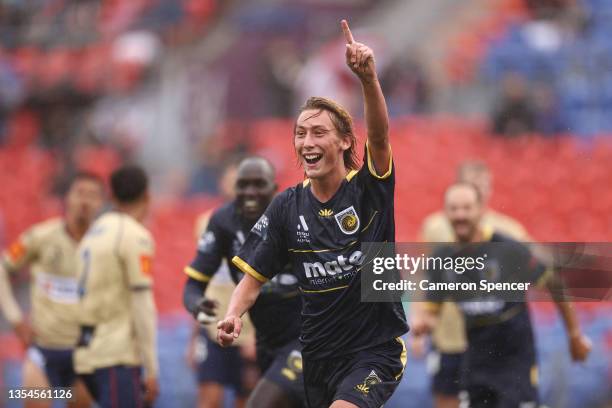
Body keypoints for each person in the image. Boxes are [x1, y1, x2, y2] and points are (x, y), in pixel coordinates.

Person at [216, 20, 408, 408]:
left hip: (374, 353)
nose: (307, 142)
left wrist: (368, 79)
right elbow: (253, 278)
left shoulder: (368, 190)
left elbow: (381, 138)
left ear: (344, 141)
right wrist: (234, 314)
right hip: (317, 358)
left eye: (319, 132)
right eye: (301, 133)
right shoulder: (287, 206)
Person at [412, 182, 592, 407]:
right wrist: (422, 326)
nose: (460, 215)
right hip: (474, 363)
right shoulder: (443, 259)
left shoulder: (508, 249)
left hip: (515, 363)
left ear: (480, 210)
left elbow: (555, 284)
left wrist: (574, 335)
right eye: (454, 208)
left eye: (466, 208)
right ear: (445, 212)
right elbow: (432, 312)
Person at [184, 157, 304, 408]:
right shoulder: (222, 221)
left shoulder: (298, 217)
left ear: (274, 188)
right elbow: (193, 284)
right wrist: (197, 305)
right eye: (243, 184)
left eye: (259, 184)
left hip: (302, 336)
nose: (250, 192)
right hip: (257, 336)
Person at [418, 161, 529, 408]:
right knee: (447, 398)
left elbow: (533, 277)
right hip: (449, 336)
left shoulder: (510, 232)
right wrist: (421, 322)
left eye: (482, 185)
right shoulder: (435, 227)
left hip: (495, 343)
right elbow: (425, 278)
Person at [0, 172, 104, 408]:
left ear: (101, 203)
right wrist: (16, 319)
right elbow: (2, 269)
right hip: (43, 353)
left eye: (92, 195)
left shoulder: (104, 245)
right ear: (67, 198)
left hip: (83, 356)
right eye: (79, 193)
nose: (85, 201)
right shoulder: (41, 237)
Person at [74, 165, 158, 407]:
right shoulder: (134, 235)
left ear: (111, 196)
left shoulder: (93, 232)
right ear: (147, 197)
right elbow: (143, 306)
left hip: (86, 354)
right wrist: (152, 369)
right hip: (115, 355)